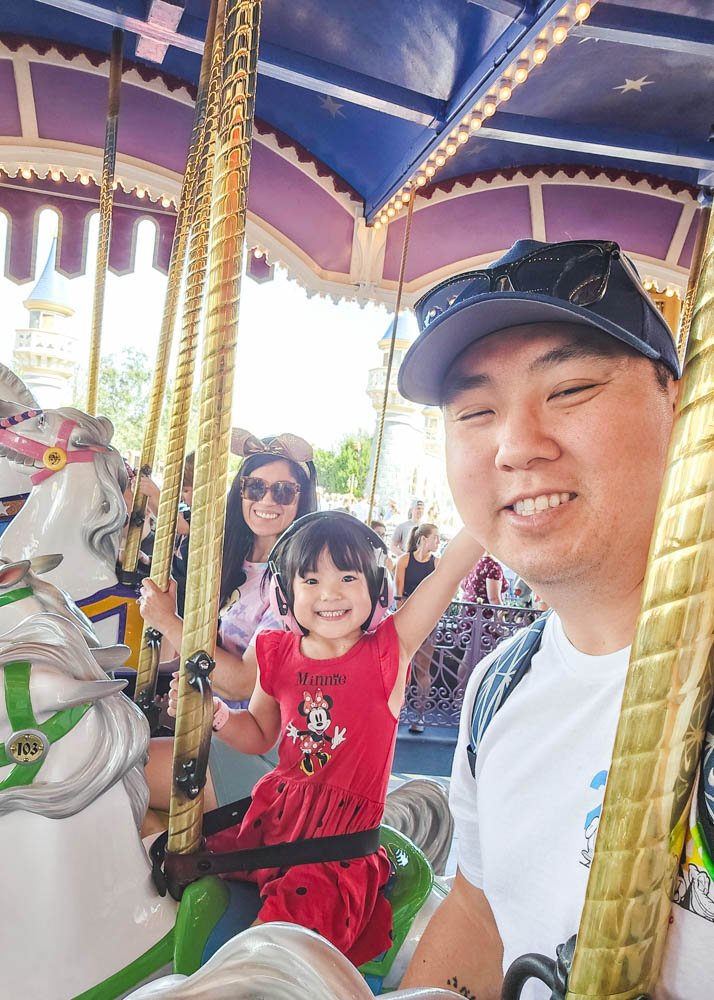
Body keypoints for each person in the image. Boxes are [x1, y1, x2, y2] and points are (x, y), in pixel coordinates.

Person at [396, 238, 710, 999]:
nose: (516, 447)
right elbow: (480, 909)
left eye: (569, 390)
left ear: (679, 403)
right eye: (475, 411)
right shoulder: (500, 685)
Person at [176, 511, 482, 965]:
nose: (331, 594)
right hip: (272, 823)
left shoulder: (387, 652)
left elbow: (450, 571)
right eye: (312, 580)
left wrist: (487, 514)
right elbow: (260, 734)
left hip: (332, 851)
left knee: (260, 961)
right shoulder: (276, 653)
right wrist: (218, 716)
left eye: (347, 577)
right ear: (288, 591)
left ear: (374, 587)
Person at [139, 429, 318, 828]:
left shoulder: (296, 582)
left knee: (120, 773)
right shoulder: (232, 563)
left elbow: (241, 682)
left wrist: (168, 621)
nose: (267, 500)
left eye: (283, 491)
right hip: (217, 726)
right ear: (240, 492)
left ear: (301, 499)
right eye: (256, 486)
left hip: (263, 746)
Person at [395, 522, 440, 601]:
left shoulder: (437, 563)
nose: (438, 542)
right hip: (405, 606)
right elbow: (399, 595)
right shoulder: (404, 560)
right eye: (435, 537)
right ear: (423, 539)